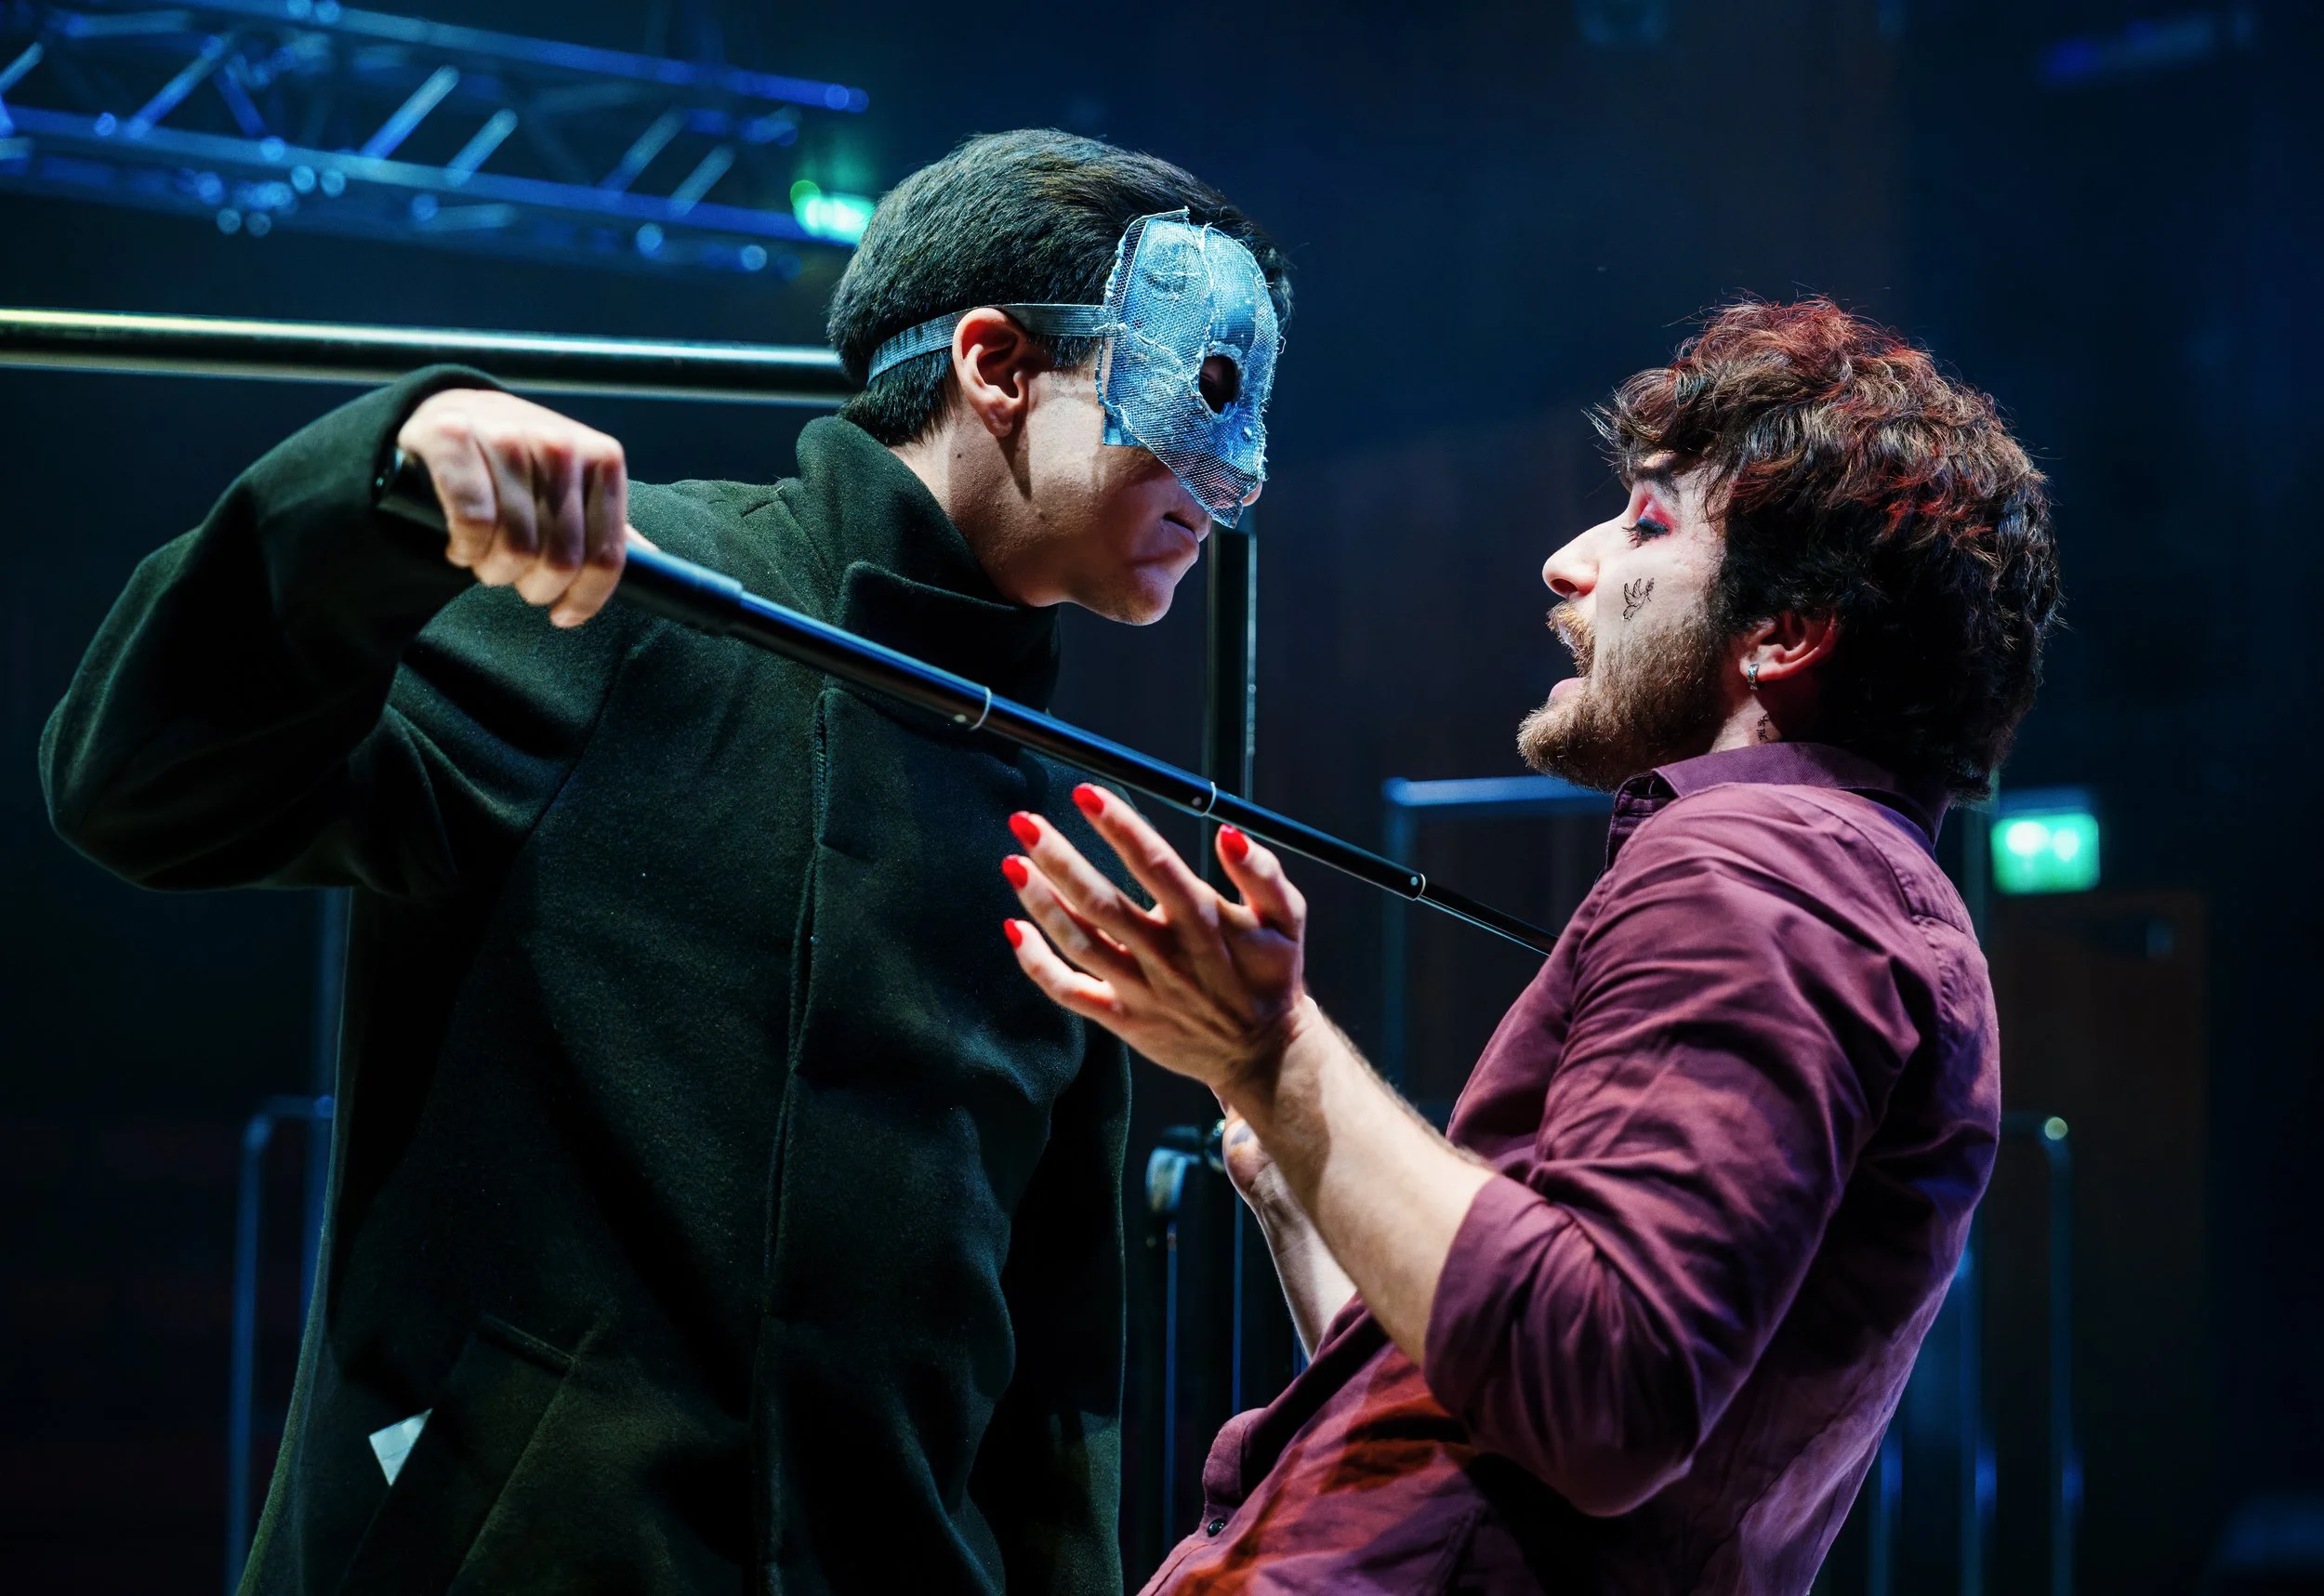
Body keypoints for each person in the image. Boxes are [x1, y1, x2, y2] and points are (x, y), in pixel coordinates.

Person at [40, 129, 1288, 1595]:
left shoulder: (1068, 827)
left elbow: (1052, 1378)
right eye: (1204, 385)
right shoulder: (616, 608)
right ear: (996, 364)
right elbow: (137, 785)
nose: (1240, 467)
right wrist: (379, 481)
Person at [997, 298, 2061, 1593]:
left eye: (1648, 525)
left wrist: (1279, 1059)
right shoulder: (1846, 889)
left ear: (1785, 632)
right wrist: (1296, 1163)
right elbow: (1486, 1422)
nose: (1569, 562)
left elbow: (1604, 1394)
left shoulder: (1767, 872)